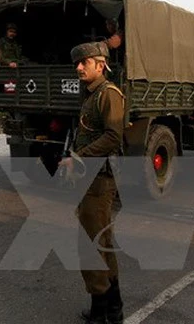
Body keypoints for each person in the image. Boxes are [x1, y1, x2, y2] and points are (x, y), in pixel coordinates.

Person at [58, 41, 125, 324]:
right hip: (91, 178)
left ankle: (100, 313)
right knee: (103, 243)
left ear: (100, 65)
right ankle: (113, 307)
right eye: (78, 62)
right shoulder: (91, 95)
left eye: (84, 63)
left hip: (99, 179)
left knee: (91, 245)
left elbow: (113, 136)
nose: (78, 67)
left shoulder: (108, 94)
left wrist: (79, 157)